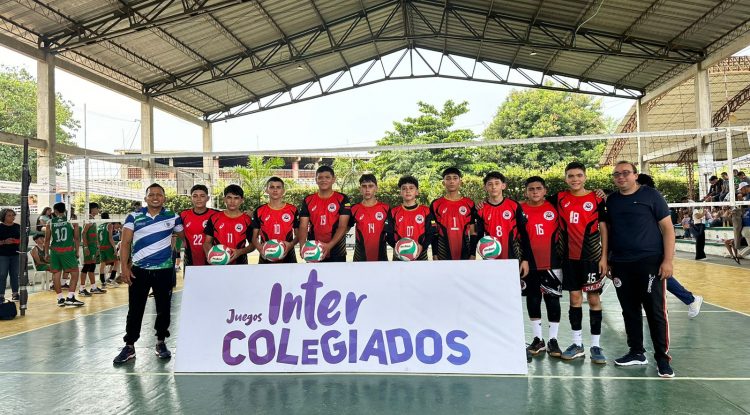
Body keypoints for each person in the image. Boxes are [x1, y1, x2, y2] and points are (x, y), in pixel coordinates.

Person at [606, 161, 675, 378]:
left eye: (626, 173)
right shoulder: (612, 201)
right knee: (629, 311)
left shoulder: (652, 196)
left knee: (655, 311)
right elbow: (609, 231)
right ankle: (636, 352)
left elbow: (668, 230)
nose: (621, 177)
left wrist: (668, 261)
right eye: (616, 174)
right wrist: (608, 259)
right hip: (621, 264)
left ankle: (663, 359)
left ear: (635, 175)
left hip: (649, 262)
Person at [113, 183, 184, 364]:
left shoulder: (173, 217)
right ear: (145, 198)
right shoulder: (134, 217)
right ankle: (129, 346)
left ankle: (161, 342)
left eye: (159, 194)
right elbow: (126, 243)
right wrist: (124, 268)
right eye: (151, 194)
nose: (155, 197)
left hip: (164, 270)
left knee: (164, 309)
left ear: (164, 198)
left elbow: (184, 237)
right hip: (139, 271)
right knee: (135, 309)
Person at [551, 162, 608, 364]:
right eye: (571, 176)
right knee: (575, 300)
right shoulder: (559, 198)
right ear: (565, 178)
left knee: (593, 300)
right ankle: (577, 344)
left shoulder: (596, 198)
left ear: (585, 177)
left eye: (579, 175)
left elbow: (603, 228)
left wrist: (604, 257)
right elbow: (534, 201)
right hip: (568, 260)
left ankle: (596, 345)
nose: (575, 179)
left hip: (591, 259)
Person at [637, 174, 703, 318]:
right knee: (651, 276)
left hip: (656, 246)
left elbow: (665, 228)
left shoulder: (653, 199)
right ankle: (688, 300)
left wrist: (666, 255)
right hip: (644, 247)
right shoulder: (639, 199)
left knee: (659, 275)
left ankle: (689, 300)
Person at [520, 176, 564, 358]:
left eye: (539, 188)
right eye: (531, 189)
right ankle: (538, 339)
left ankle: (553, 340)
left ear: (545, 191)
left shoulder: (555, 206)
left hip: (552, 263)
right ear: (526, 192)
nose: (535, 192)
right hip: (529, 264)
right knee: (533, 300)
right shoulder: (520, 209)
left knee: (552, 301)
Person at [297, 166, 351, 262]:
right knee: (314, 277)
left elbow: (343, 226)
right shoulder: (308, 200)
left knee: (336, 277)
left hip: (337, 250)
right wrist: (302, 245)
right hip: (313, 249)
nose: (323, 180)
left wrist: (329, 245)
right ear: (316, 180)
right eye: (320, 177)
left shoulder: (342, 198)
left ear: (333, 179)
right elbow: (303, 226)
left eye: (327, 177)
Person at [430, 167, 476, 260]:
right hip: (442, 251)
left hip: (465, 251)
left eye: (455, 178)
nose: (451, 181)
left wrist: (473, 253)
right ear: (443, 183)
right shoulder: (435, 204)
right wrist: (434, 254)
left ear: (460, 182)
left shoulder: (469, 203)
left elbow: (473, 232)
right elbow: (433, 231)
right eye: (448, 178)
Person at [44, 203, 84, 307]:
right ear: (65, 210)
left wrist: (45, 253)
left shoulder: (50, 222)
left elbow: (47, 239)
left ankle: (60, 298)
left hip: (54, 251)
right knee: (75, 272)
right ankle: (70, 297)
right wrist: (77, 251)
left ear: (55, 211)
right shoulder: (71, 221)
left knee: (56, 274)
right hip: (67, 251)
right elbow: (76, 238)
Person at [251, 177, 299, 264]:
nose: (275, 190)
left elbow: (299, 234)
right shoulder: (259, 210)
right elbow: (254, 238)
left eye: (278, 187)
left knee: (290, 277)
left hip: (288, 253)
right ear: (267, 190)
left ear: (283, 191)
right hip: (266, 254)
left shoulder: (292, 209)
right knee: (265, 278)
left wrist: (290, 245)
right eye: (272, 187)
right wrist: (260, 248)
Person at [386, 176, 435, 261]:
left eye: (411, 188)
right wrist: (396, 246)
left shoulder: (426, 211)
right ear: (400, 192)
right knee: (398, 274)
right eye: (404, 188)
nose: (407, 191)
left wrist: (422, 246)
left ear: (417, 192)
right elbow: (388, 233)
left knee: (420, 274)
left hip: (420, 254)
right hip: (399, 255)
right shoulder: (393, 212)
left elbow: (432, 232)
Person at [203, 184, 254, 264]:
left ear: (242, 200)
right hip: (218, 263)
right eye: (229, 197)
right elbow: (207, 242)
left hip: (240, 264)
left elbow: (253, 245)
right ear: (224, 199)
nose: (232, 201)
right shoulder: (214, 218)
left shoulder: (247, 220)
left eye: (236, 198)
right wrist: (209, 255)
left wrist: (239, 252)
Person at [350, 174, 390, 262]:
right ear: (360, 189)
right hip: (360, 259)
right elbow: (343, 229)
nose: (367, 189)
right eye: (364, 186)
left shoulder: (386, 208)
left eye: (371, 186)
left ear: (376, 188)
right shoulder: (354, 209)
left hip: (381, 258)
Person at [179, 184, 218, 267]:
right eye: (195, 196)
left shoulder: (216, 215)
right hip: (190, 260)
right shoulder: (183, 215)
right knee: (191, 280)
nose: (199, 199)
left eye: (202, 196)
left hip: (212, 260)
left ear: (207, 198)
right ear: (191, 198)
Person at [80, 202, 106, 295]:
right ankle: (81, 289)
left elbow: (94, 234)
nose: (98, 210)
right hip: (89, 247)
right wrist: (86, 247)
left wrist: (97, 246)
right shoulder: (88, 219)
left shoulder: (92, 219)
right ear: (93, 209)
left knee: (92, 267)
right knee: (86, 267)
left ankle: (93, 287)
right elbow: (83, 233)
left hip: (93, 247)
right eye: (97, 208)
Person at [0, 209, 21, 302]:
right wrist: (4, 241)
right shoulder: (0, 227)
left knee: (14, 275)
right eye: (9, 215)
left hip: (15, 254)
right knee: (2, 275)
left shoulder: (17, 227)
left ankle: (15, 293)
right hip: (2, 255)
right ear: (3, 216)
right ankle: (1, 295)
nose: (12, 217)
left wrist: (16, 241)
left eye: (13, 215)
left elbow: (22, 239)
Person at [98, 212, 120, 286]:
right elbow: (110, 238)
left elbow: (97, 239)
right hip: (108, 247)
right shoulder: (109, 225)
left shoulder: (100, 226)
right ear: (108, 217)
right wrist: (114, 248)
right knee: (117, 261)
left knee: (102, 264)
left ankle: (103, 282)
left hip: (101, 247)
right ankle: (111, 279)